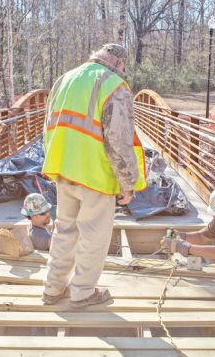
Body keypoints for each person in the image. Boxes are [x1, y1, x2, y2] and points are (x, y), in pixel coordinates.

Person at [41, 43, 147, 308]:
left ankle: (53, 289)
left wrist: (53, 161)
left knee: (65, 231)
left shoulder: (65, 78)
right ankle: (83, 293)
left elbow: (48, 124)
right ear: (119, 64)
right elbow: (119, 139)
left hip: (64, 168)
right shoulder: (113, 84)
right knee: (93, 236)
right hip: (95, 174)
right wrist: (127, 182)